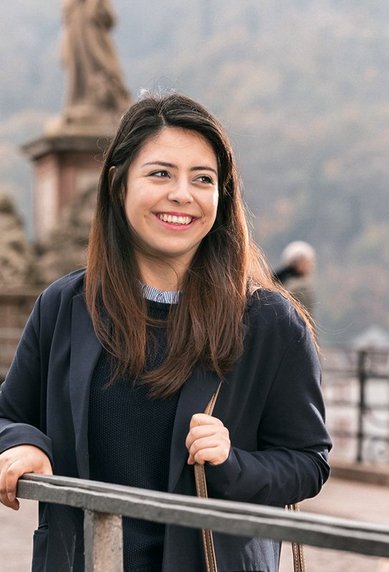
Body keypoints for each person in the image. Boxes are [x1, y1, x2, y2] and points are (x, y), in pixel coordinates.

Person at [0, 93, 331, 572]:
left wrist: (232, 463)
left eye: (203, 179)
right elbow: (8, 413)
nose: (182, 194)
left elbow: (308, 462)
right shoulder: (68, 306)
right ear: (118, 184)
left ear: (223, 196)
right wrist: (21, 443)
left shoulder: (268, 322)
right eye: (161, 174)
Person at [61, 0, 130, 117]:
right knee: (80, 71)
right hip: (77, 38)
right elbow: (66, 14)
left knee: (103, 66)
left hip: (94, 38)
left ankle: (108, 99)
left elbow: (109, 18)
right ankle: (82, 100)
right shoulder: (72, 7)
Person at [274, 241, 316, 316]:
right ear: (300, 263)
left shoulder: (276, 282)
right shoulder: (301, 288)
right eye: (309, 262)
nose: (312, 266)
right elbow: (305, 319)